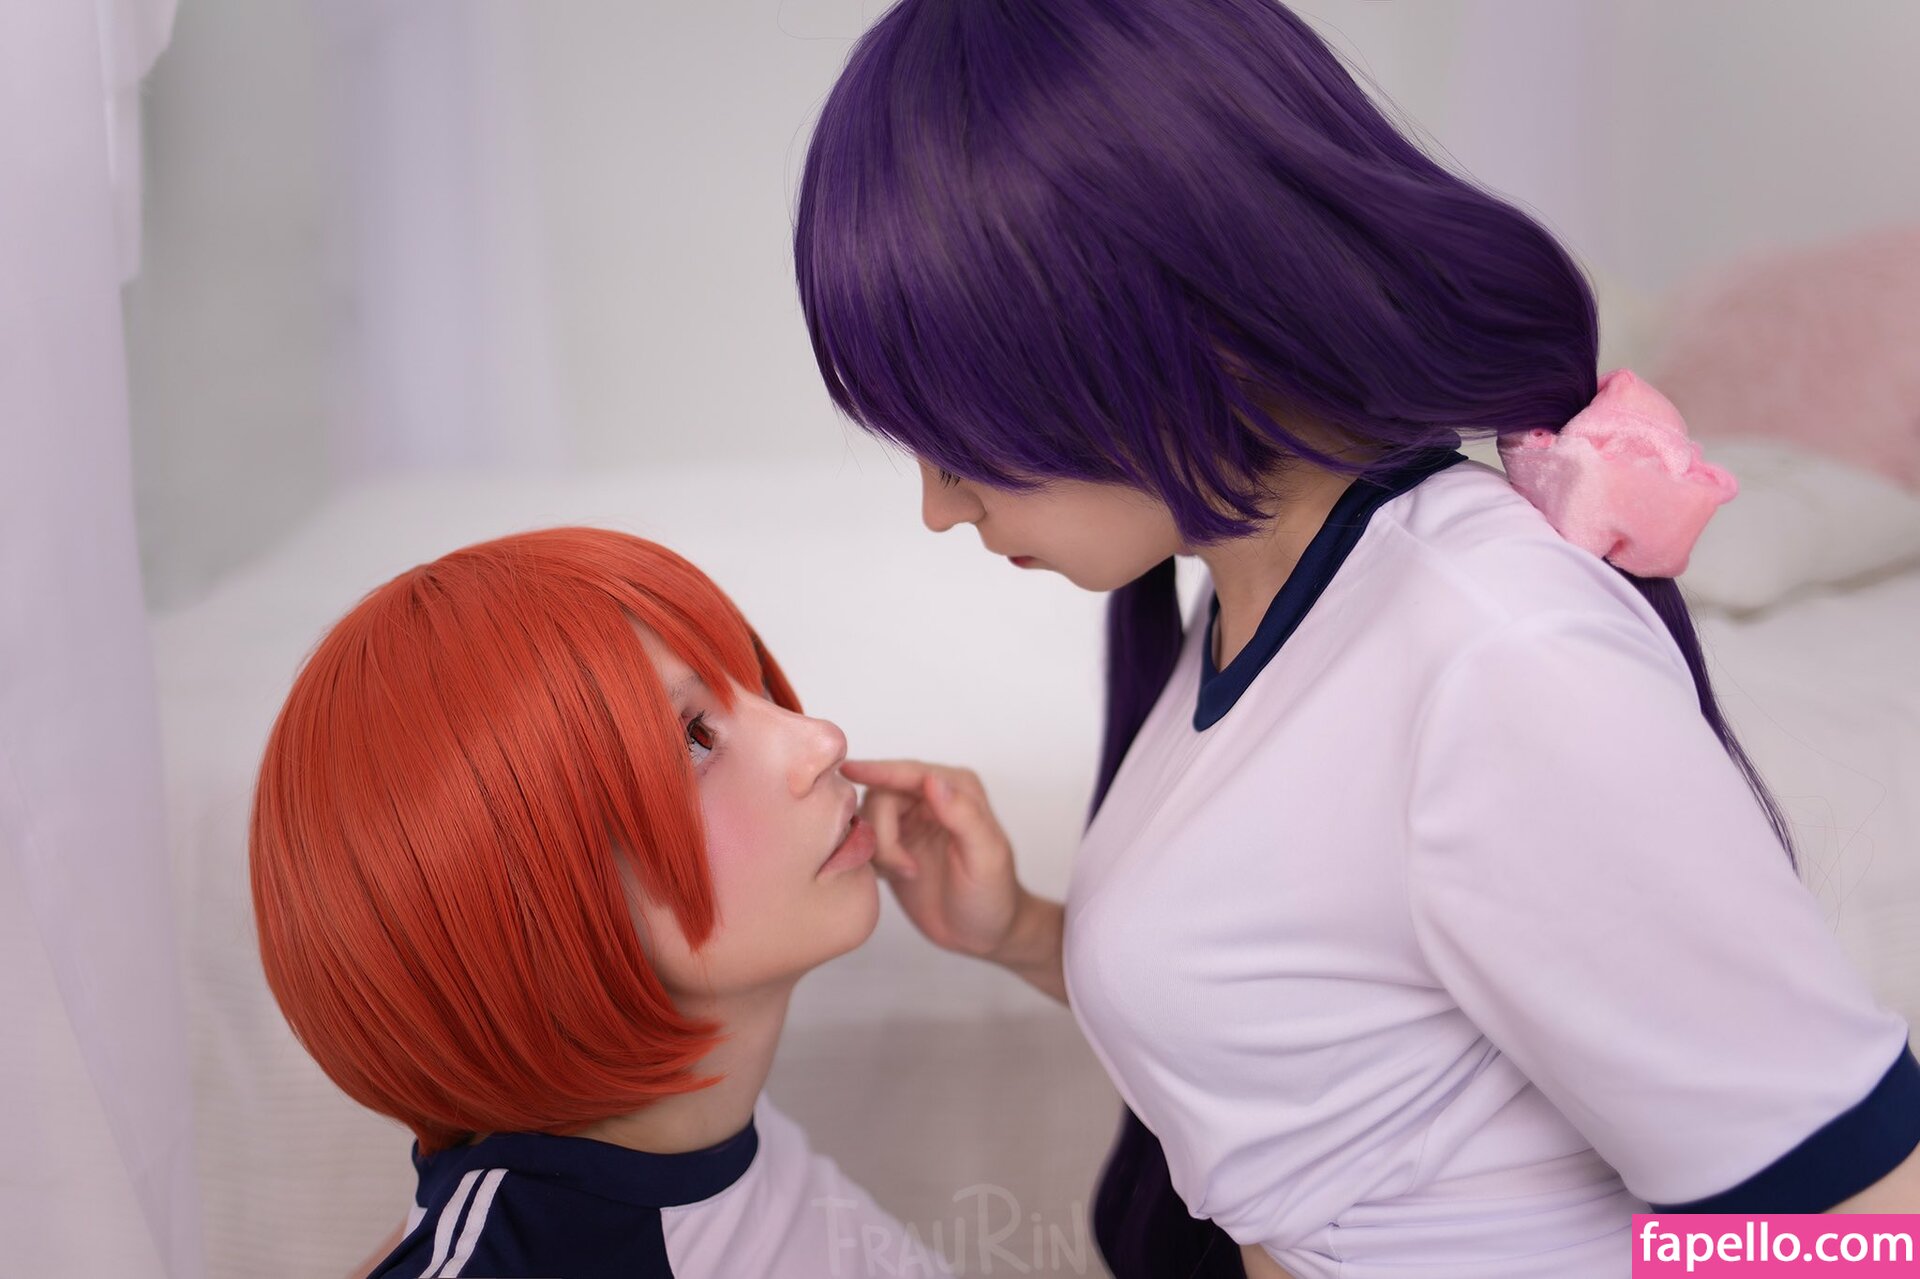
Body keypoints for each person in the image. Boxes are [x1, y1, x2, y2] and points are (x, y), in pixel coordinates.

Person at [790, 1, 1920, 1276]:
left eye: (956, 438)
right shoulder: (1254, 585)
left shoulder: (1502, 660)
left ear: (1186, 327)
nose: (939, 508)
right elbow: (1340, 1041)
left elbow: (1868, 1223)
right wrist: (1023, 932)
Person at [250, 527, 945, 1278]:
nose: (821, 739)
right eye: (694, 738)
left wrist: (1023, 936)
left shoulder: (704, 1138)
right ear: (519, 902)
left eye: (756, 687)